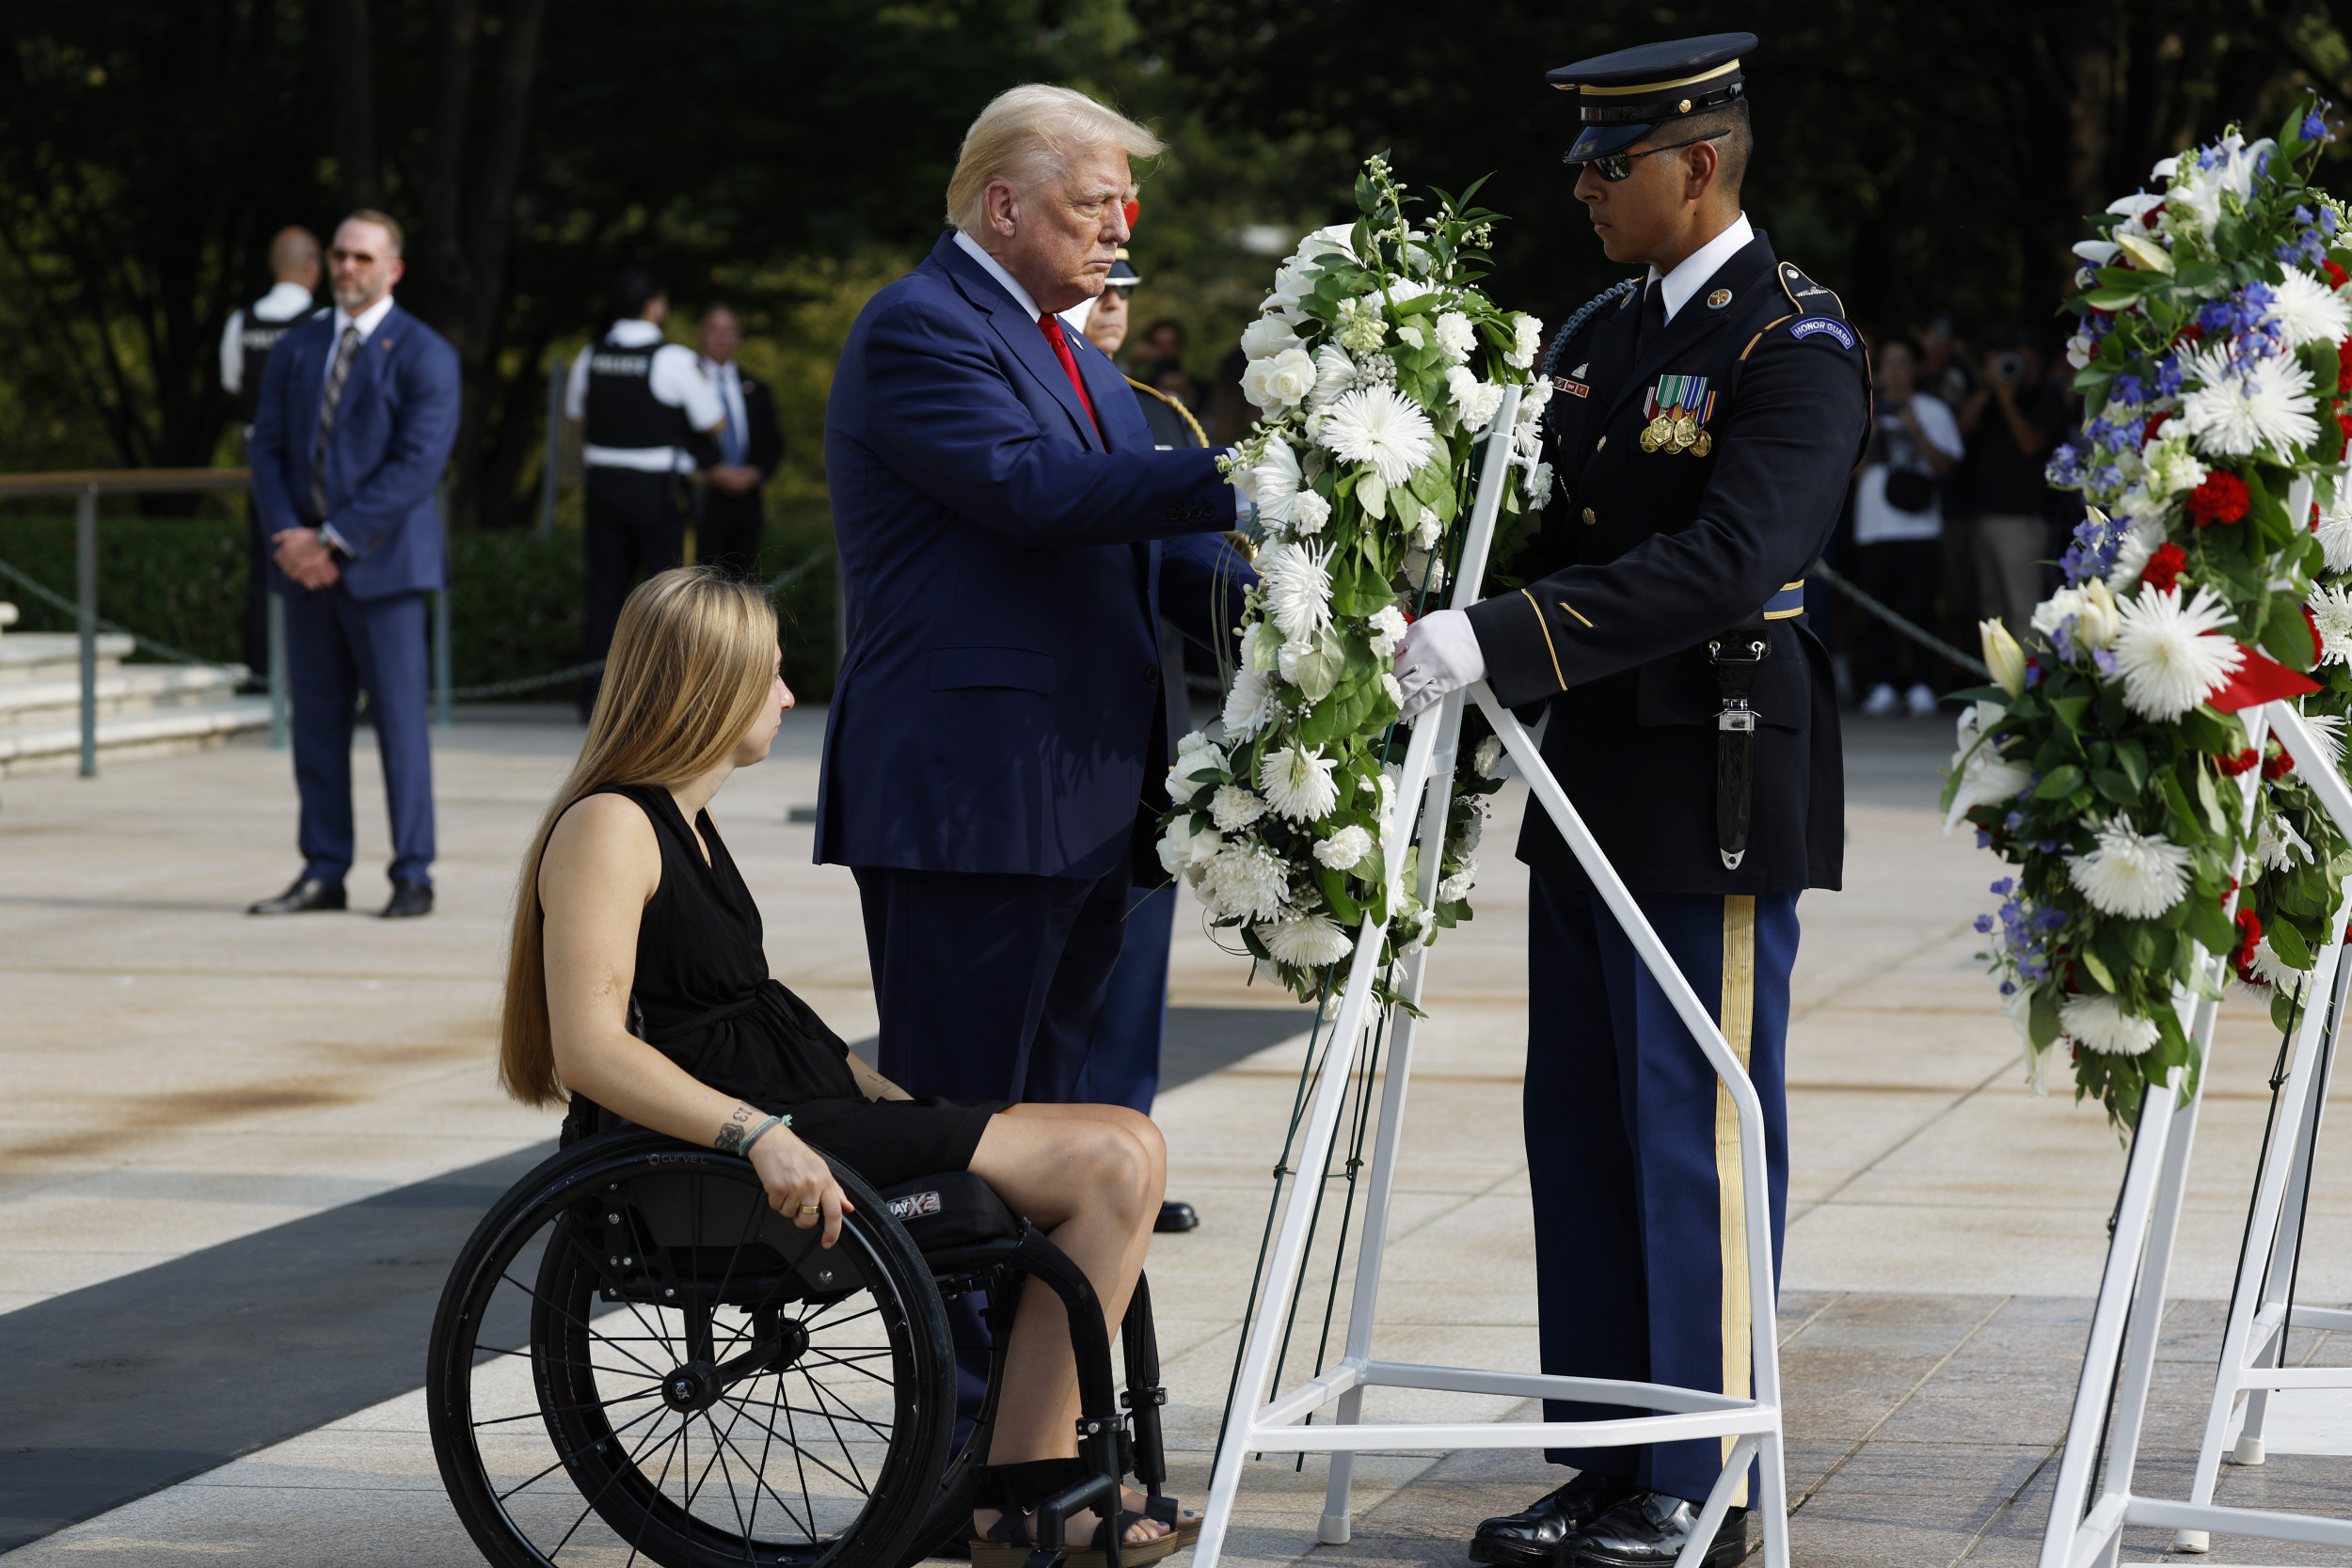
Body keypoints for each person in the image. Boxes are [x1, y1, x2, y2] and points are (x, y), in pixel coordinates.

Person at [1391, 35, 1869, 1568]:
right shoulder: (1596, 329)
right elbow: (1550, 520)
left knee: (1694, 1130)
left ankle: (1705, 1473)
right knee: (1585, 1127)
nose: (1583, 188)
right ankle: (1608, 1458)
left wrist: (1505, 640)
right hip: (1587, 777)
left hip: (1707, 778)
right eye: (1584, 164)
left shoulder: (1790, 343)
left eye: (1609, 164)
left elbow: (1733, 557)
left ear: (1699, 165)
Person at [497, 567, 1184, 1561]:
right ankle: (1021, 1490)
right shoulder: (609, 825)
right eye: (771, 675)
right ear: (708, 684)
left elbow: (744, 1009)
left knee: (1128, 1141)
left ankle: (1028, 1473)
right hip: (735, 1143)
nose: (786, 695)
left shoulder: (683, 819)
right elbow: (592, 1048)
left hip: (799, 1107)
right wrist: (758, 1134)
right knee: (1113, 1161)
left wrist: (874, 1089)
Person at [818, 83, 1246, 1119]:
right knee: (964, 1125)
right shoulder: (918, 324)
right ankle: (966, 1295)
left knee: (1058, 1125)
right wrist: (1258, 464)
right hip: (975, 799)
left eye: (1125, 205)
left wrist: (1322, 616)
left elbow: (1167, 556)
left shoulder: (1078, 360)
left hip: (1081, 798)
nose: (1119, 229)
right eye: (1094, 203)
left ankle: (1046, 1294)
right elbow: (1030, 490)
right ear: (1003, 207)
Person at [246, 210, 460, 920]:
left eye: (364, 257)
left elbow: (416, 467)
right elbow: (267, 448)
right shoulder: (298, 347)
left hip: (385, 572)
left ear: (393, 268)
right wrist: (288, 535)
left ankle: (413, 871)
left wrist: (330, 540)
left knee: (401, 728)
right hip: (302, 570)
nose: (348, 267)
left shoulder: (425, 353)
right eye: (340, 254)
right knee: (316, 727)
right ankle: (324, 869)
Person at [565, 267, 726, 718]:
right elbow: (714, 422)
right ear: (654, 305)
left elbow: (577, 415)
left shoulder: (590, 355)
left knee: (603, 593)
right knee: (667, 593)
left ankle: (595, 698)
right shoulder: (671, 359)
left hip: (602, 487)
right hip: (654, 492)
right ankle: (664, 699)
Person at [223, 226, 323, 680]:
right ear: (312, 266)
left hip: (257, 454)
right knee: (316, 560)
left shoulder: (241, 322)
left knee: (264, 561)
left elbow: (233, 383)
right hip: (311, 458)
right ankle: (311, 671)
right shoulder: (323, 322)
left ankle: (262, 669)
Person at [1851, 337, 1963, 717]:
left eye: (1902, 362)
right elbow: (1852, 472)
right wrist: (1872, 437)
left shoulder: (1933, 410)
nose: (1895, 371)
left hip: (1919, 528)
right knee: (1878, 610)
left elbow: (1946, 467)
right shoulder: (1863, 408)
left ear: (1916, 368)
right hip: (1873, 527)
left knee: (1921, 609)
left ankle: (1922, 686)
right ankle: (1882, 684)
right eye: (1887, 363)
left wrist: (1916, 430)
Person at [1961, 327, 2069, 640]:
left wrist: (2007, 398)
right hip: (1983, 516)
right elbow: (1961, 430)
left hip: (2024, 523)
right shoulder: (1990, 396)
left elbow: (2030, 445)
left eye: (2021, 352)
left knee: (2025, 612)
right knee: (1991, 613)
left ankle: (2030, 686)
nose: (2015, 360)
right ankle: (2000, 685)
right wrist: (1989, 388)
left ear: (2037, 358)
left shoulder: (2048, 397)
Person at [692, 303, 786, 578]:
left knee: (742, 590)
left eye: (729, 330)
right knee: (699, 589)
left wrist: (756, 472)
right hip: (702, 504)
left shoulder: (755, 388)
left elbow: (774, 443)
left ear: (738, 337)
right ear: (701, 334)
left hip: (747, 508)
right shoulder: (685, 383)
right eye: (715, 329)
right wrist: (711, 470)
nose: (722, 337)